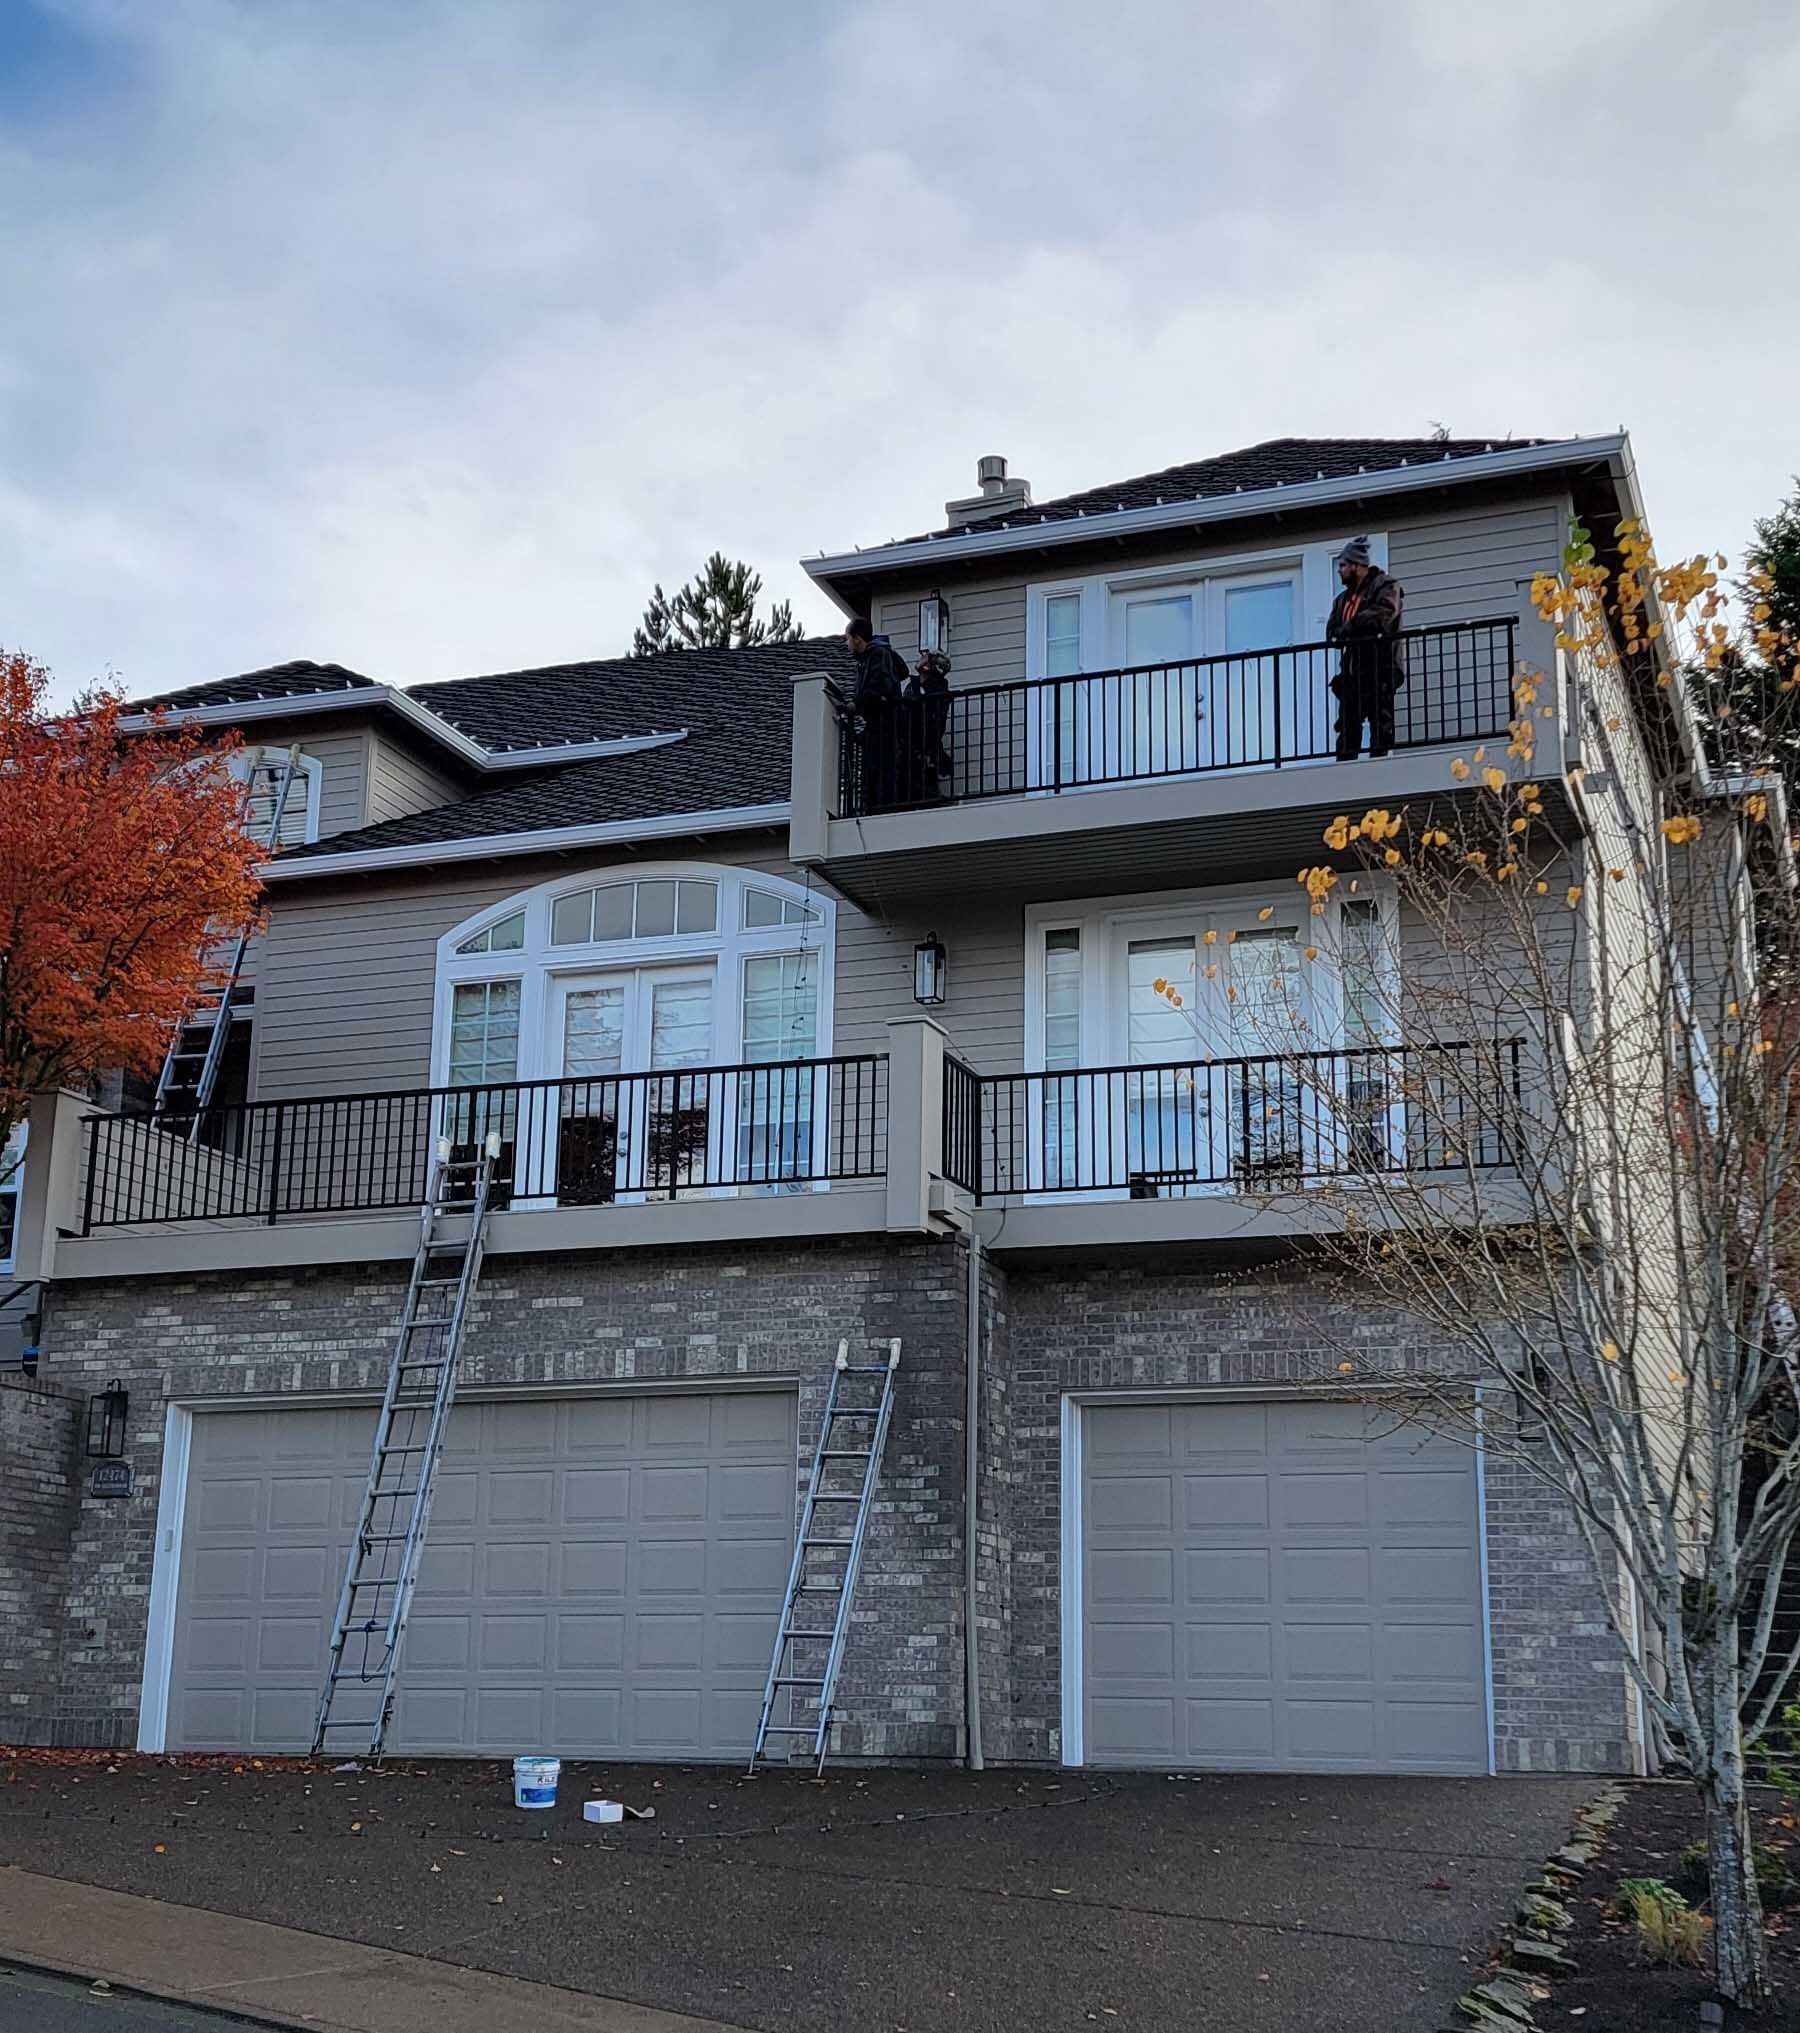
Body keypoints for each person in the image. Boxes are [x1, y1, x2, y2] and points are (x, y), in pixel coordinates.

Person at [1326, 537, 1406, 760]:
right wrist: (1350, 630)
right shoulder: (1342, 600)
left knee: (1380, 723)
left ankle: (1379, 766)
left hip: (1379, 667)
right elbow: (1332, 633)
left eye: (1343, 565)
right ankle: (1345, 771)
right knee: (1348, 726)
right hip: (1352, 672)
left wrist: (1350, 627)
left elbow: (1383, 615)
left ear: (1357, 565)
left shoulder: (1386, 586)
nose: (1339, 571)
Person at [844, 617, 908, 811]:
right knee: (874, 767)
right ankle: (873, 806)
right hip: (878, 722)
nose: (846, 644)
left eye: (847, 638)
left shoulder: (878, 655)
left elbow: (880, 687)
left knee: (881, 768)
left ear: (857, 639)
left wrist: (857, 704)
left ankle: (879, 808)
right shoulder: (869, 658)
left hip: (885, 722)